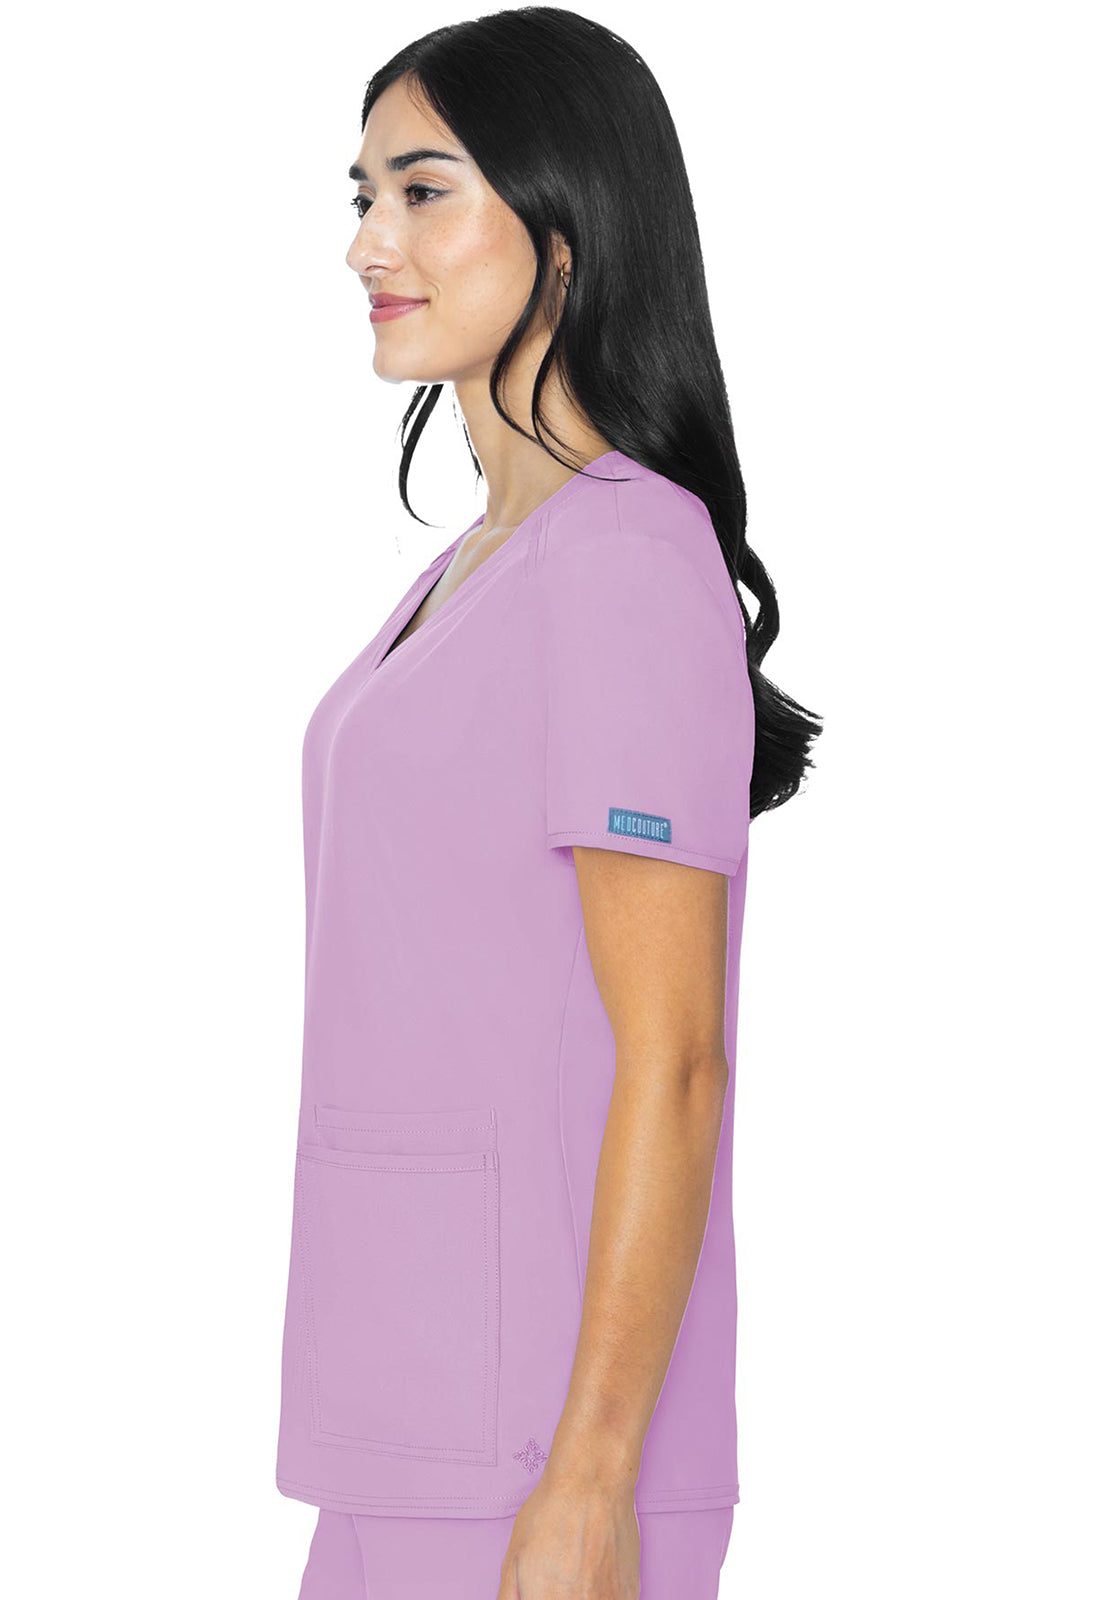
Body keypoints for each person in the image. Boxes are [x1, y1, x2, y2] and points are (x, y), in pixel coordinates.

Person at [277, 9, 822, 1597]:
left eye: (422, 191)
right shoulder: (478, 568)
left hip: (538, 1453)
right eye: (364, 194)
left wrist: (590, 1474)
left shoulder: (625, 561)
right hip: (404, 1417)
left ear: (565, 234)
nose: (370, 242)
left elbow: (677, 1057)